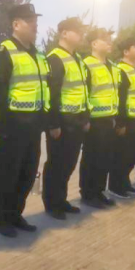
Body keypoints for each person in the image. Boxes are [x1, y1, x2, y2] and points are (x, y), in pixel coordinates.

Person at [0, 4, 48, 237]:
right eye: (29, 20)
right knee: (6, 175)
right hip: (11, 128)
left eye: (35, 20)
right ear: (16, 24)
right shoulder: (4, 53)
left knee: (27, 174)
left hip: (33, 128)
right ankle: (1, 219)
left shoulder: (37, 54)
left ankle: (16, 214)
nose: (35, 25)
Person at [43, 17, 89, 220]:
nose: (81, 35)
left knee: (69, 163)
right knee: (57, 164)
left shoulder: (77, 59)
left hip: (77, 120)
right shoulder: (55, 58)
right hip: (62, 122)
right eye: (77, 31)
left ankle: (61, 200)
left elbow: (83, 92)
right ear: (64, 33)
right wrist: (53, 123)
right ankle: (52, 204)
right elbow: (52, 94)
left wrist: (85, 118)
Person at [79, 28, 120, 208]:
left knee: (105, 158)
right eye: (106, 40)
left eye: (110, 39)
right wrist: (85, 119)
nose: (110, 43)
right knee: (91, 158)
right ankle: (88, 194)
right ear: (94, 44)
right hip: (94, 121)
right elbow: (83, 93)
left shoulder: (112, 66)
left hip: (109, 118)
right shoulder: (86, 64)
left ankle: (99, 191)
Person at [109, 39, 135, 198]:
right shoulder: (121, 70)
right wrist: (121, 123)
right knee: (122, 155)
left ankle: (125, 183)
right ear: (126, 52)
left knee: (132, 155)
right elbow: (120, 98)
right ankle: (116, 186)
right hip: (128, 121)